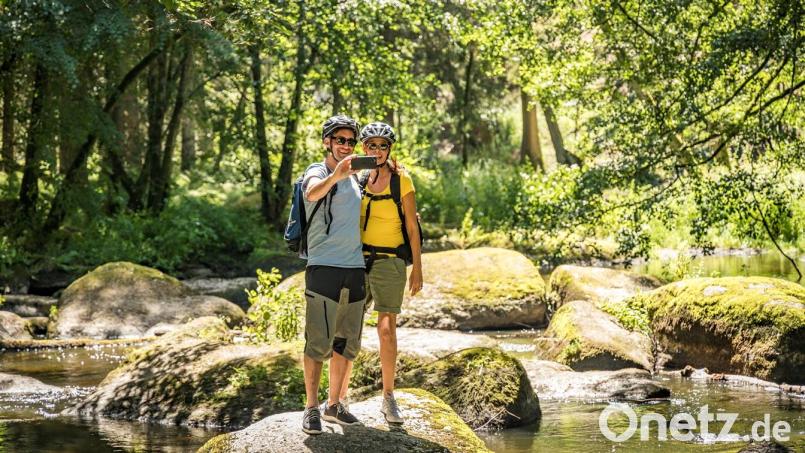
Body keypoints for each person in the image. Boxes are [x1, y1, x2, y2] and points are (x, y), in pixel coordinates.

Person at [339, 121, 423, 424]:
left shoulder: (403, 181)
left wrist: (418, 269)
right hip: (356, 261)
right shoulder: (356, 179)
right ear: (364, 147)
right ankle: (339, 397)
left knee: (386, 329)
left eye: (383, 146)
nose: (377, 151)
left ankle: (388, 397)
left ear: (390, 149)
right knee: (347, 329)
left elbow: (412, 227)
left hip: (390, 262)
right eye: (371, 145)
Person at [300, 114, 367, 435]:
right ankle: (311, 407)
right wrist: (337, 175)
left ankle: (335, 405)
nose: (345, 146)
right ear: (327, 141)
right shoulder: (319, 170)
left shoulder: (358, 178)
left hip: (355, 269)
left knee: (346, 342)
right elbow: (311, 193)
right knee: (317, 341)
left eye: (350, 141)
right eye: (339, 140)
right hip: (323, 266)